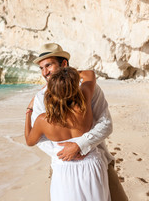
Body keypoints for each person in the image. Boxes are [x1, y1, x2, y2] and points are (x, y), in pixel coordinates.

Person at [29, 43, 128, 200]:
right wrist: (64, 153)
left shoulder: (90, 89)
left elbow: (106, 124)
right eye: (41, 68)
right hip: (62, 165)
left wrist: (79, 146)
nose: (45, 72)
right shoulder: (41, 98)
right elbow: (40, 139)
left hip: (96, 160)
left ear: (64, 64)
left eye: (49, 65)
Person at [25, 67, 110, 200]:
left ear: (50, 91)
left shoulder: (43, 120)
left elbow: (29, 141)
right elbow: (90, 74)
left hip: (63, 168)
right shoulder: (84, 104)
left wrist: (29, 112)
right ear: (75, 86)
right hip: (91, 164)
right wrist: (69, 73)